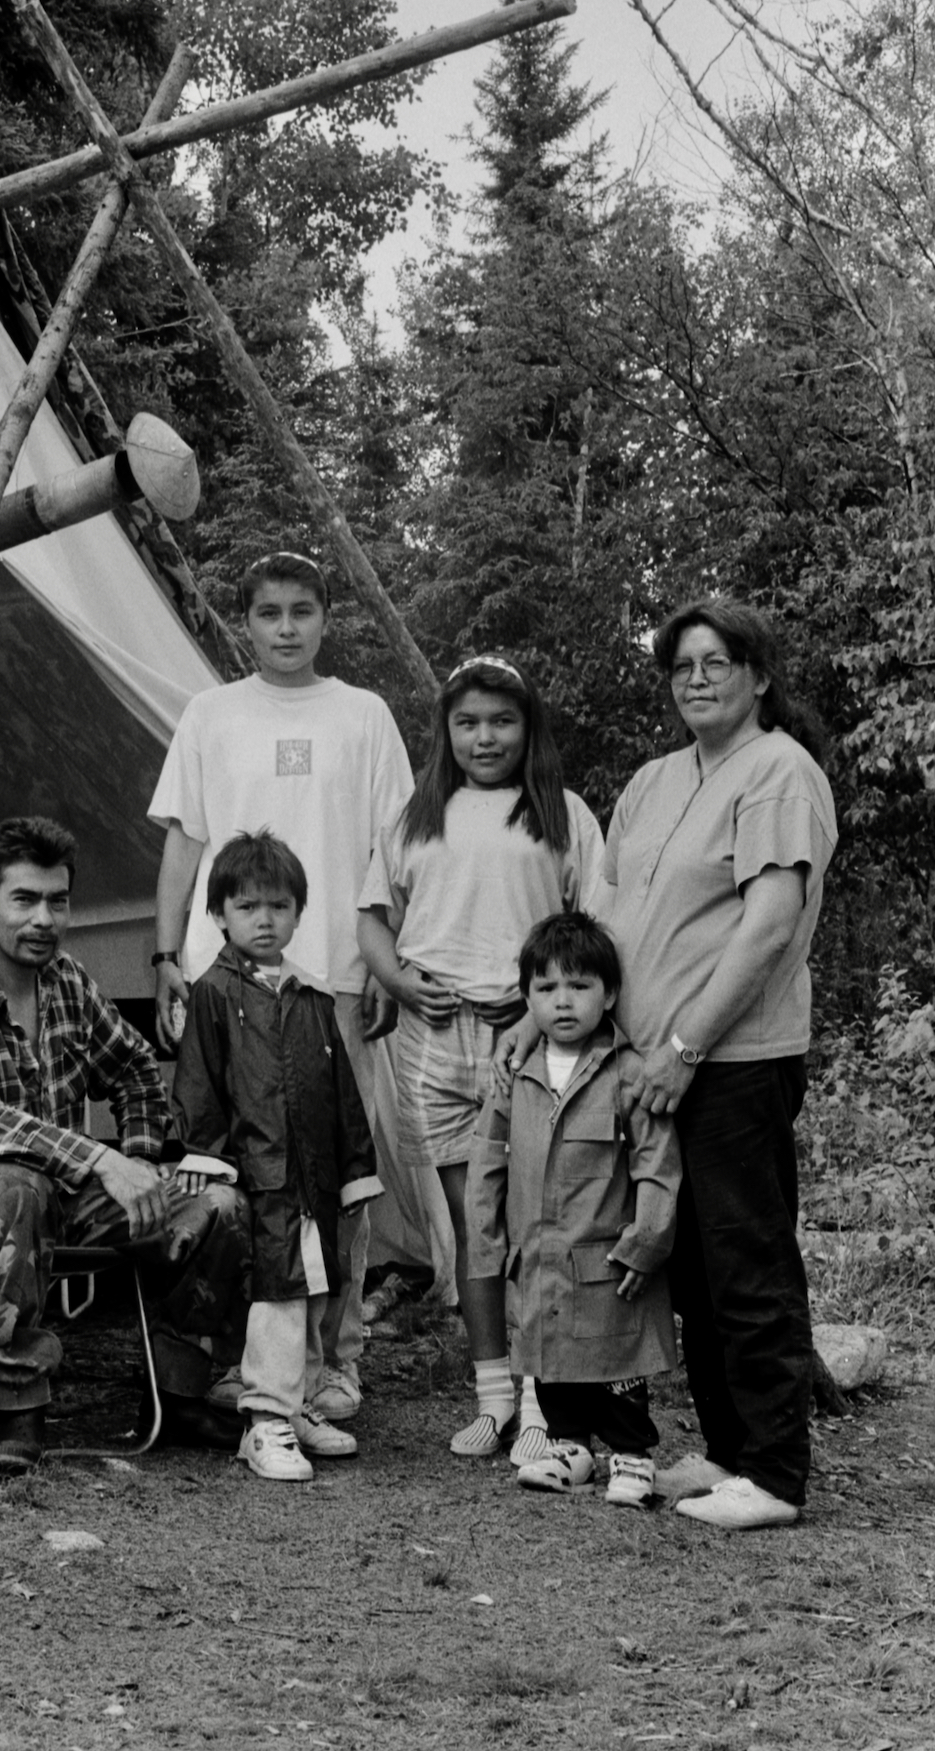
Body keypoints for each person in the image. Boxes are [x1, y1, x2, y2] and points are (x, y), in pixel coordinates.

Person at [508, 599, 834, 1530]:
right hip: (643, 1063)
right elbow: (606, 918)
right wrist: (549, 1021)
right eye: (682, 665)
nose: (696, 678)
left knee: (747, 1262)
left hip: (733, 1059)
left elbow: (769, 926)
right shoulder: (652, 780)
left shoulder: (778, 772)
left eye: (717, 661)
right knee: (688, 1269)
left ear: (759, 674)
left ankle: (773, 1472)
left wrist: (687, 1047)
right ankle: (730, 1456)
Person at [147, 550, 428, 1423]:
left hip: (334, 981)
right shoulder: (210, 712)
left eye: (302, 611)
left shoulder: (365, 715)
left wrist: (386, 963)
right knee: (224, 1172)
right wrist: (166, 961)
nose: (285, 628)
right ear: (246, 621)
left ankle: (334, 1361)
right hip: (222, 985)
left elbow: (396, 853)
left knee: (335, 1179)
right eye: (268, 613)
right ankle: (237, 1357)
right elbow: (185, 846)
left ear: (325, 616)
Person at [0, 816, 251, 1476]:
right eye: (24, 899)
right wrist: (101, 1158)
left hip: (69, 1192)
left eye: (57, 900)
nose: (44, 919)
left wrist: (139, 1158)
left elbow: (138, 1068)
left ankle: (178, 1393)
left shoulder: (68, 981)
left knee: (219, 1205)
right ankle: (16, 1410)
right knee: (14, 1183)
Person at [357, 654, 605, 1458]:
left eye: (501, 720)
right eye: (467, 722)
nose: (484, 736)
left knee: (535, 1221)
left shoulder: (560, 814)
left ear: (527, 726)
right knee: (476, 1227)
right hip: (435, 1032)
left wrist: (542, 1018)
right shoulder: (417, 815)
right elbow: (373, 919)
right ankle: (492, 1393)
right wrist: (398, 980)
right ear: (446, 731)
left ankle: (542, 1398)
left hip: (527, 1035)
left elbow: (596, 930)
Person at [171, 831, 383, 1482]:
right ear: (219, 914)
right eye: (248, 906)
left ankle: (297, 1404)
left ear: (298, 911)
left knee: (319, 1286)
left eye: (279, 905)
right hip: (259, 1174)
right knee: (277, 1293)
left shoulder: (313, 996)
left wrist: (355, 1169)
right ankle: (264, 1420)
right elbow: (198, 1082)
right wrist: (206, 1159)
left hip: (314, 1173)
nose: (265, 919)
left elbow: (343, 1092)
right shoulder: (212, 992)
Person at [468, 912, 680, 1507]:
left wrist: (648, 1240)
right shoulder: (516, 1073)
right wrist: (487, 1243)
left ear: (609, 993)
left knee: (617, 1358)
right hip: (538, 1253)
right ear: (527, 997)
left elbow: (656, 1163)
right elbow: (487, 1160)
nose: (564, 1002)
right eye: (547, 988)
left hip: (608, 1257)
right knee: (549, 1357)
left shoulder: (628, 1071)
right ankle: (569, 1445)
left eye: (580, 986)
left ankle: (631, 1455)